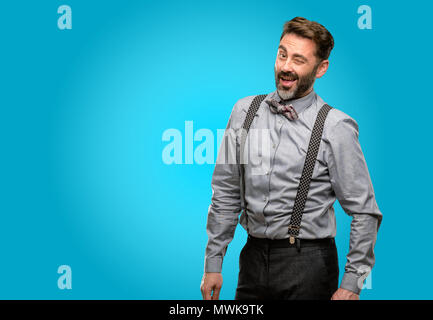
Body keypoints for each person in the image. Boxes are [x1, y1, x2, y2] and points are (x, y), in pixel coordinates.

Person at [200, 17, 382, 300]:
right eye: (282, 54)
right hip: (252, 258)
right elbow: (225, 192)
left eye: (299, 60)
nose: (286, 67)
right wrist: (213, 263)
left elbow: (364, 211)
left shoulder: (336, 126)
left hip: (309, 262)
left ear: (321, 69)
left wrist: (351, 283)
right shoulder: (243, 111)